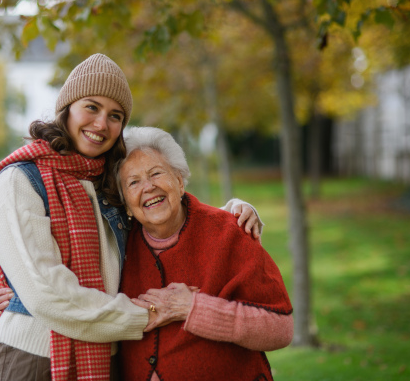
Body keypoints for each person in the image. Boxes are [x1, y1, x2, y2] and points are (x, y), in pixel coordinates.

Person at [0, 53, 263, 381]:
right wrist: (149, 312)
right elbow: (46, 293)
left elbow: (169, 221)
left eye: (115, 116)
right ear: (67, 108)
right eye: (92, 107)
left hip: (107, 357)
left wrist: (234, 215)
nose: (101, 124)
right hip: (37, 357)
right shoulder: (21, 180)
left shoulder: (109, 182)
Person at [115, 127, 293, 380]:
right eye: (133, 182)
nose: (148, 187)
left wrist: (193, 308)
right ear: (125, 202)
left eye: (156, 173)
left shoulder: (230, 231)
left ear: (179, 180)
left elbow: (280, 328)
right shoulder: (119, 246)